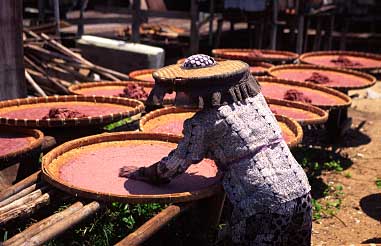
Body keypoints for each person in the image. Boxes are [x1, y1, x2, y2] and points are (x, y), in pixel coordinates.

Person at [119, 54, 312, 245]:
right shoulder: (254, 100)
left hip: (263, 203)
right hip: (300, 188)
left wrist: (143, 173)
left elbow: (172, 167)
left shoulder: (203, 123)